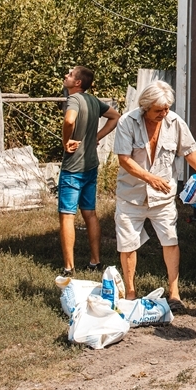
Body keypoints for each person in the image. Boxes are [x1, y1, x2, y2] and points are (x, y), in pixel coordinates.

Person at [113, 81, 196, 311]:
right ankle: (131, 294)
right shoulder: (126, 122)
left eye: (167, 108)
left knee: (170, 240)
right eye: (158, 110)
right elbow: (124, 159)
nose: (164, 113)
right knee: (127, 244)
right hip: (131, 195)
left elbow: (190, 150)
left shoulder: (175, 121)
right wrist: (150, 178)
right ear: (145, 107)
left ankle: (174, 294)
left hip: (163, 197)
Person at [58, 66, 120, 276]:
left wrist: (66, 141)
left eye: (70, 74)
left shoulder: (73, 100)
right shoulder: (93, 101)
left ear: (77, 83)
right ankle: (95, 261)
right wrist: (96, 137)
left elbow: (69, 120)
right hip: (91, 166)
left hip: (72, 168)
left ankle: (68, 268)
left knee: (67, 216)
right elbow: (115, 116)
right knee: (90, 213)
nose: (66, 76)